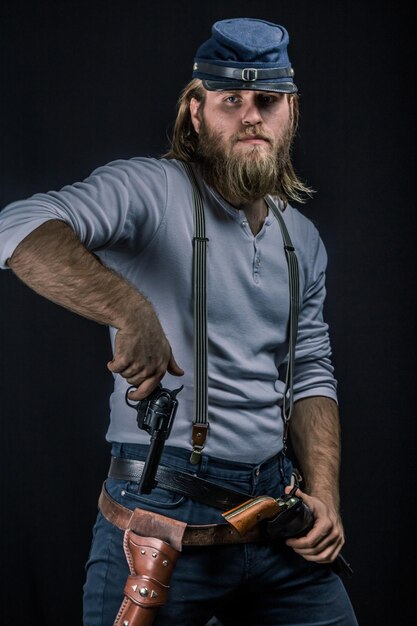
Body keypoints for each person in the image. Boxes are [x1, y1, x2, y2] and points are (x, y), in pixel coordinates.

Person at [0, 17, 358, 626]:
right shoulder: (150, 189)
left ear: (290, 112)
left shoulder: (304, 240)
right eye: (230, 101)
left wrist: (324, 494)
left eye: (267, 101)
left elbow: (310, 374)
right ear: (197, 113)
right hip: (162, 522)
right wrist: (127, 307)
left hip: (276, 519)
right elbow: (17, 226)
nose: (251, 116)